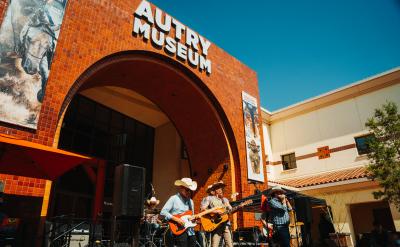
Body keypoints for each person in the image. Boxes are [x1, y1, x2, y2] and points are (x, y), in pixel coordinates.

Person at [160, 177, 198, 247]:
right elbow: (163, 212)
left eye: (190, 190)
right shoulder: (173, 198)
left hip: (190, 231)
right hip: (179, 229)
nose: (189, 192)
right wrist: (177, 219)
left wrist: (194, 219)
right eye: (187, 190)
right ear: (181, 188)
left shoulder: (191, 201)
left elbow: (191, 216)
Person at [200, 181, 233, 247]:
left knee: (229, 245)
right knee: (215, 245)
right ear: (214, 190)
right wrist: (215, 211)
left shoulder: (225, 199)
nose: (220, 189)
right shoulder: (209, 198)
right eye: (218, 188)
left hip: (225, 224)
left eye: (221, 188)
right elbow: (202, 209)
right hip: (216, 224)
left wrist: (231, 207)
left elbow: (230, 210)